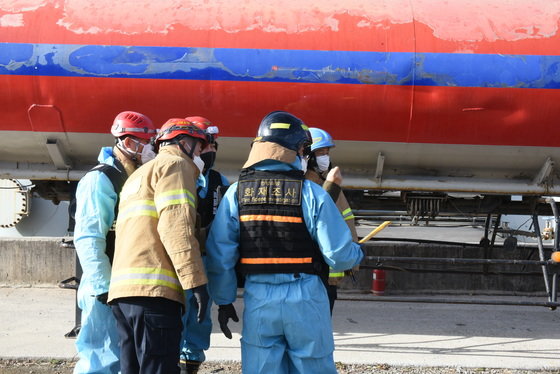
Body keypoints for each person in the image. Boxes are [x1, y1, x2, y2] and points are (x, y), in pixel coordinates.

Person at [205, 111, 364, 374]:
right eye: (304, 149)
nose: (306, 155)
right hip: (307, 297)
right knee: (313, 366)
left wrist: (223, 300)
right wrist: (358, 254)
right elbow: (339, 255)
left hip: (259, 298)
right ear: (294, 149)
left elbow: (220, 255)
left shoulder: (236, 193)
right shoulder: (311, 193)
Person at [108, 118, 210, 374]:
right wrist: (196, 282)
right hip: (154, 293)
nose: (200, 156)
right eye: (199, 149)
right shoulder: (176, 166)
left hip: (124, 293)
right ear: (184, 144)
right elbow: (175, 227)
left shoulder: (140, 173)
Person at [73, 111, 158, 374]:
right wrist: (102, 287)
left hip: (123, 286)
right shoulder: (101, 180)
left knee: (122, 360)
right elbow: (89, 237)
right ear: (130, 143)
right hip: (104, 287)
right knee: (100, 360)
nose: (152, 149)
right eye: (148, 143)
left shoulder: (134, 178)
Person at [180, 116, 229, 374]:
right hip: (178, 261)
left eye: (214, 147)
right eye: (206, 146)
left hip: (208, 260)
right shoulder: (176, 175)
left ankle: (191, 365)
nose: (210, 151)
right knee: (175, 317)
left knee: (199, 319)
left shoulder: (220, 181)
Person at [306, 127, 359, 314]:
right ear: (308, 155)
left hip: (329, 277)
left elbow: (347, 220)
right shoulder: (303, 186)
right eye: (320, 153)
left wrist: (353, 255)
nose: (325, 158)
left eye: (327, 153)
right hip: (310, 276)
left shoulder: (329, 183)